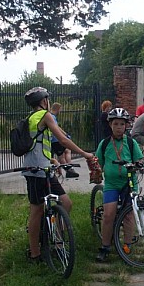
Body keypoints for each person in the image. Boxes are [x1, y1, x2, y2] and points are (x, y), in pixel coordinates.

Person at [22, 87, 94, 262]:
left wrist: (52, 160)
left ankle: (57, 239)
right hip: (35, 171)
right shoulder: (44, 115)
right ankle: (34, 253)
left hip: (44, 168)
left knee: (66, 202)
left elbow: (39, 144)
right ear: (43, 101)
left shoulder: (33, 117)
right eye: (47, 99)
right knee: (37, 210)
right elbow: (62, 139)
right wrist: (84, 153)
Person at [94, 108, 144, 261]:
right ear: (110, 125)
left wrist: (139, 164)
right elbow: (98, 163)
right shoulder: (104, 144)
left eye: (122, 124)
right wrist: (97, 171)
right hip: (112, 184)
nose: (119, 127)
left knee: (128, 214)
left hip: (129, 182)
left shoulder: (131, 142)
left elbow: (139, 159)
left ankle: (127, 244)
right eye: (115, 124)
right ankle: (105, 246)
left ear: (126, 125)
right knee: (109, 214)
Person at [49, 102, 79, 178]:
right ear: (58, 109)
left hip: (54, 139)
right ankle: (69, 169)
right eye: (60, 110)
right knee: (62, 155)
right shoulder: (51, 117)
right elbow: (57, 128)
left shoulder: (51, 116)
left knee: (64, 153)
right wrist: (65, 135)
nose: (60, 112)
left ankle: (69, 169)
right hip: (56, 139)